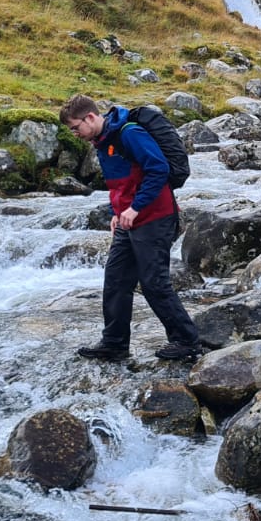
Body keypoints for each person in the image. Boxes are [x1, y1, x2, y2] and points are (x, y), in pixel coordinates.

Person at [58, 94, 203, 362]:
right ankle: (114, 343)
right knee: (116, 279)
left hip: (155, 217)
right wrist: (118, 213)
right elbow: (122, 184)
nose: (75, 133)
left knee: (153, 282)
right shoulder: (102, 142)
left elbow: (158, 169)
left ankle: (186, 340)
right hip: (129, 219)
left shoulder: (129, 133)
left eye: (75, 127)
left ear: (90, 117)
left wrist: (135, 207)